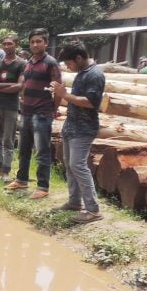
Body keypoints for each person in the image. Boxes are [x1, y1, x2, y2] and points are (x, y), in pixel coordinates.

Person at [5, 28, 62, 199]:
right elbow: (26, 84)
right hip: (27, 112)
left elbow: (58, 88)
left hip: (42, 113)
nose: (35, 44)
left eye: (39, 41)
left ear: (46, 43)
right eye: (32, 42)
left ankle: (43, 187)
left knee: (42, 151)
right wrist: (23, 98)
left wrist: (53, 109)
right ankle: (21, 179)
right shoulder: (29, 61)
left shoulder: (51, 63)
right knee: (24, 148)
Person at [51, 42, 104, 223]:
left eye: (69, 63)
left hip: (84, 128)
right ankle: (74, 201)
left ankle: (93, 210)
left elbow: (91, 102)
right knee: (70, 165)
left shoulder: (95, 75)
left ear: (79, 58)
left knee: (78, 166)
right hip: (72, 126)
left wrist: (64, 95)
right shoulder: (82, 73)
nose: (68, 67)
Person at [0, 34, 25, 179]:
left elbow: (20, 86)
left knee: (8, 139)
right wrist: (9, 85)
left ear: (16, 44)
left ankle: (6, 170)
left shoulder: (21, 64)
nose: (7, 47)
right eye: (5, 44)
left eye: (10, 44)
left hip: (11, 106)